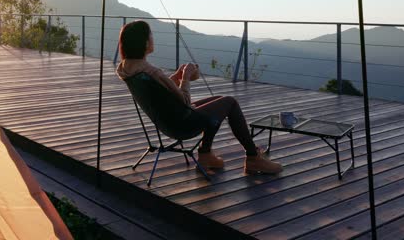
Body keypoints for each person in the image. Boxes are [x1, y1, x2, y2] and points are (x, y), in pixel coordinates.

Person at [115, 20, 282, 174]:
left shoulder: (129, 68)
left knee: (218, 101)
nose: (153, 38)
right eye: (150, 35)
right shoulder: (151, 71)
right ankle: (253, 157)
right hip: (182, 123)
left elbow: (161, 90)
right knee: (229, 103)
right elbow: (185, 101)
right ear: (144, 42)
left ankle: (205, 155)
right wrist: (186, 76)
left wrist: (176, 76)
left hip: (167, 120)